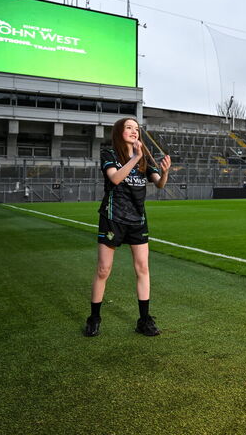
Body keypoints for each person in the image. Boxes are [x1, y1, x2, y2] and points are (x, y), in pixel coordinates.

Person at [84, 117, 171, 337]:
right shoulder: (110, 154)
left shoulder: (143, 158)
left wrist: (165, 171)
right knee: (103, 270)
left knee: (142, 268)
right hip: (113, 218)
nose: (134, 131)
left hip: (138, 220)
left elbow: (159, 184)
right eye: (128, 128)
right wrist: (135, 158)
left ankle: (144, 320)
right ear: (118, 132)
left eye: (136, 129)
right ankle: (94, 318)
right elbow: (114, 178)